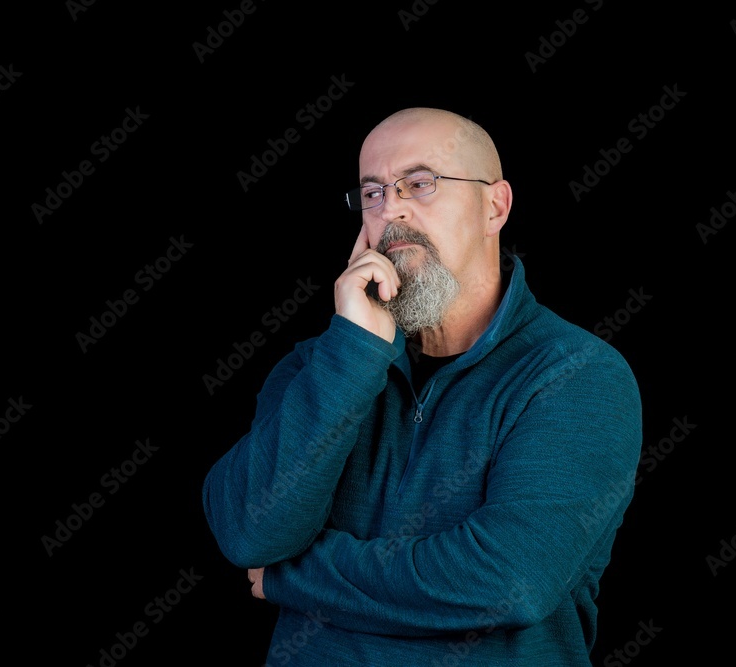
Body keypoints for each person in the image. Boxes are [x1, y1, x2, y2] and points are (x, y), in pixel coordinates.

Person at [202, 107, 643, 665]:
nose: (393, 209)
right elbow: (247, 534)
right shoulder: (321, 364)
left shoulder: (577, 375)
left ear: (495, 206)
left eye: (420, 183)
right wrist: (353, 354)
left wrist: (294, 574)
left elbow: (506, 580)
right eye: (372, 192)